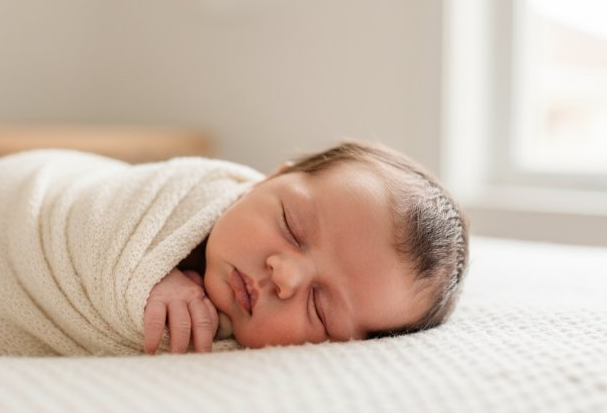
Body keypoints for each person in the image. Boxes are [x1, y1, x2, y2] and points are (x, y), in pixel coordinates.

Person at [143, 141, 469, 354]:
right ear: (270, 179)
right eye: (291, 227)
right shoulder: (184, 194)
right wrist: (149, 276)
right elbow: (96, 224)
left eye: (319, 306)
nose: (285, 277)